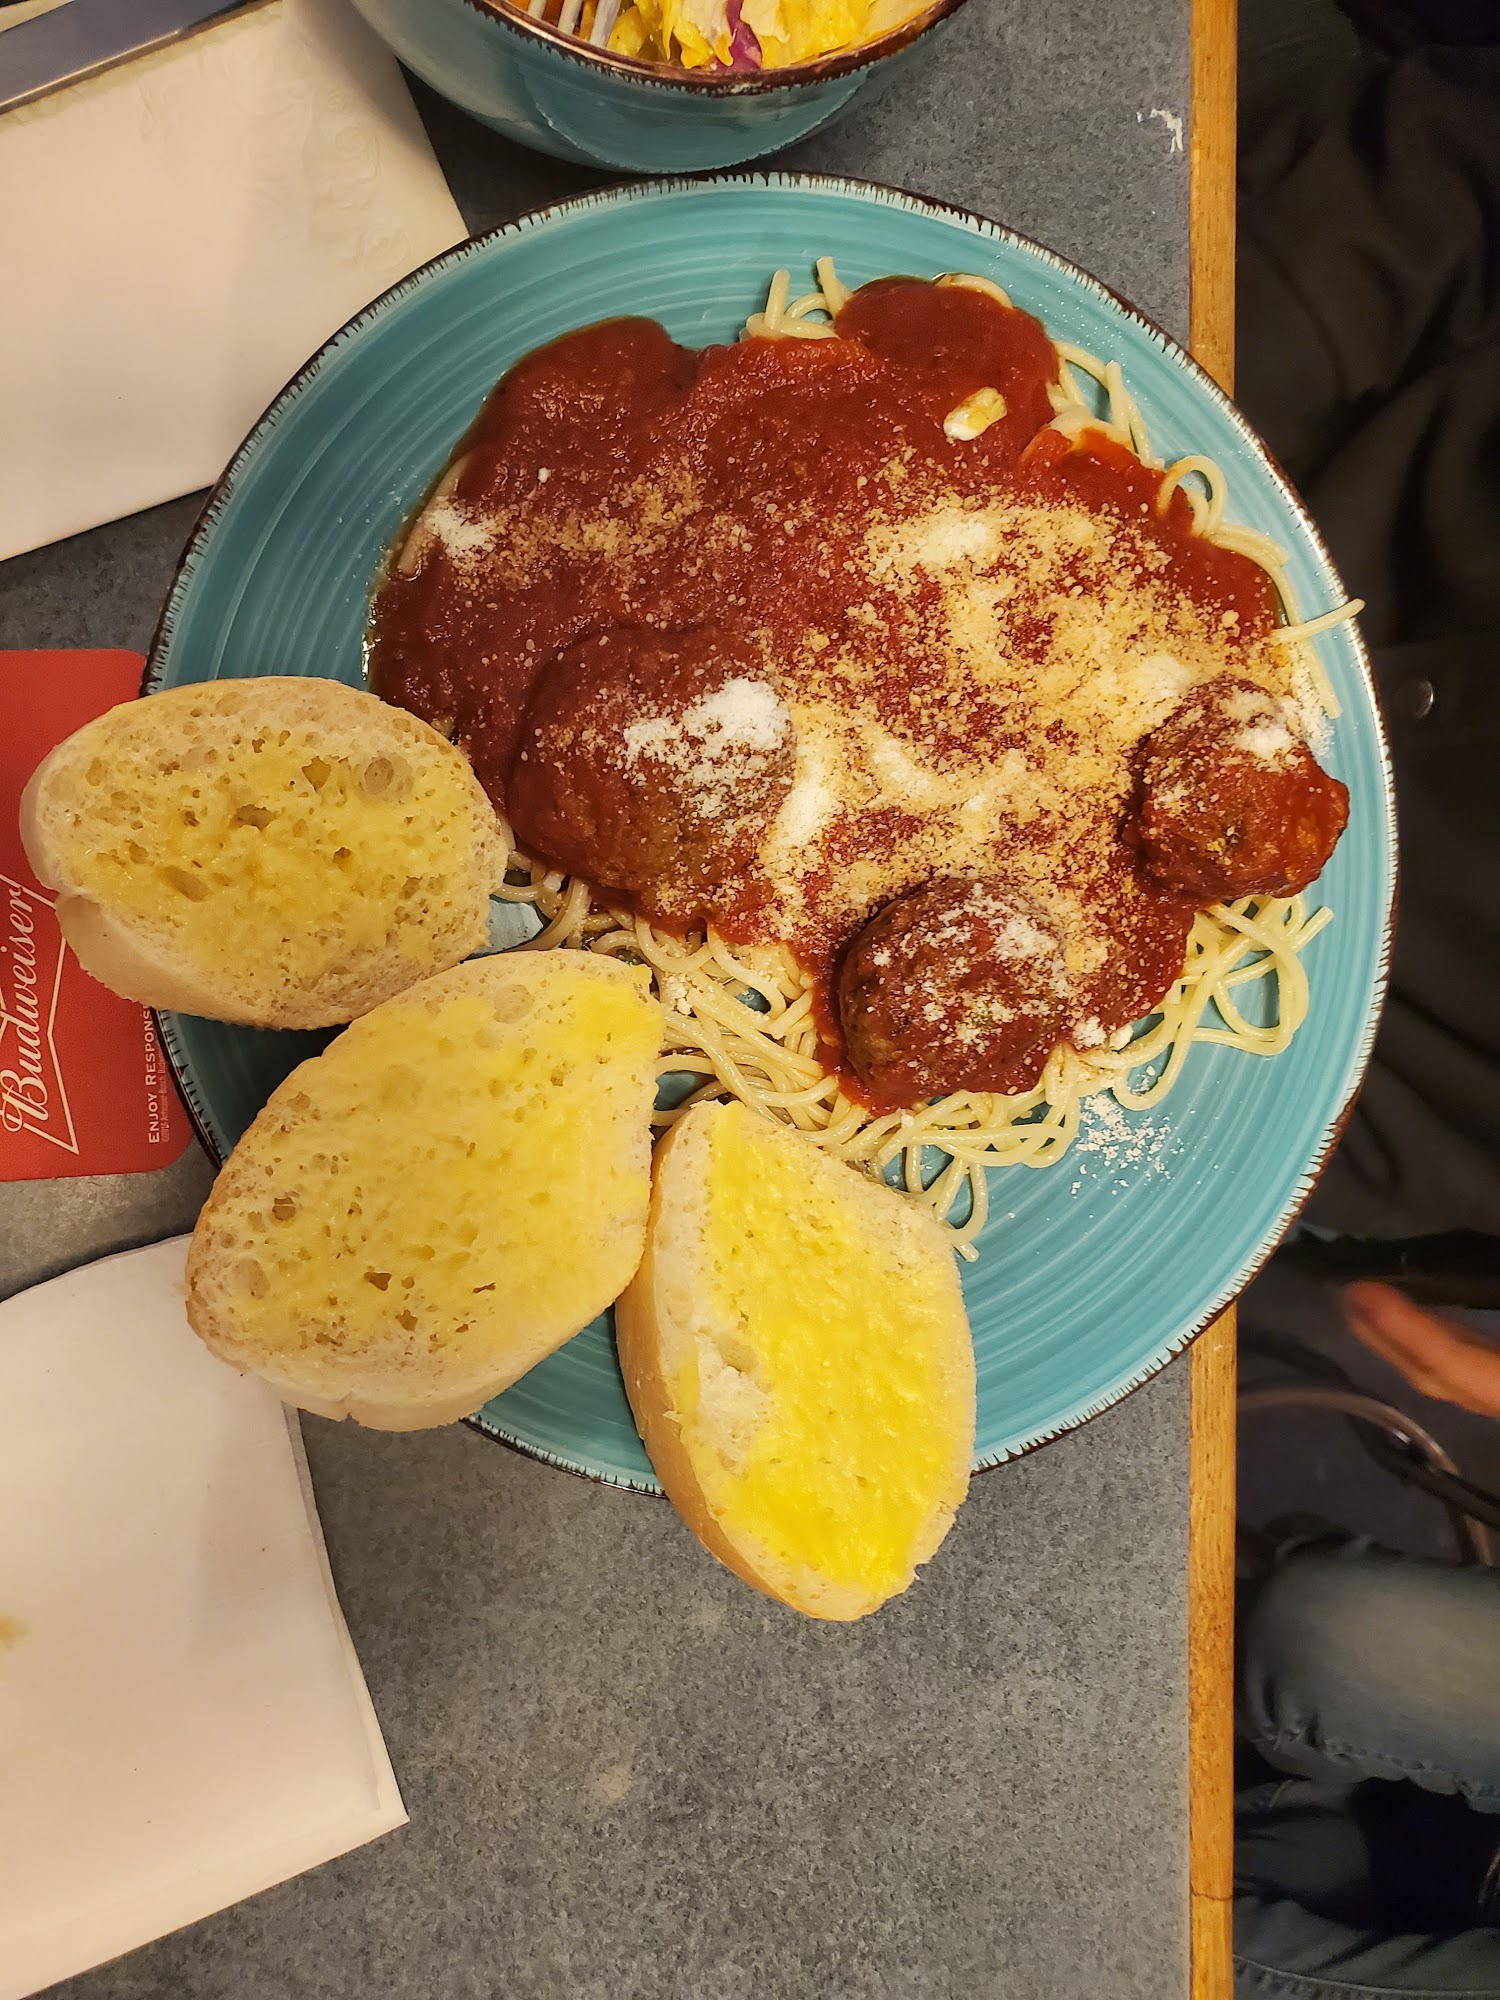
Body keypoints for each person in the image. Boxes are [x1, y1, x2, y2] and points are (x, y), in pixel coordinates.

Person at [1232, 1, 1500, 1990]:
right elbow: (1443, 186)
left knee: (1323, 1652)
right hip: (1270, 467)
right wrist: (1180, 438)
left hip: (1295, 1087)